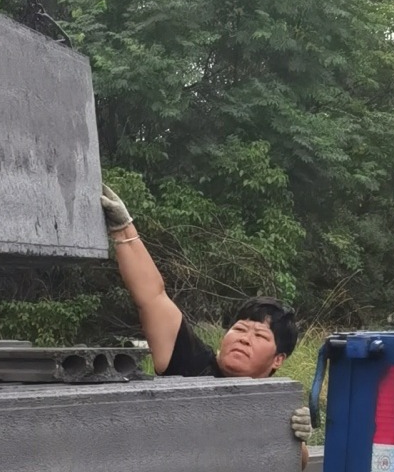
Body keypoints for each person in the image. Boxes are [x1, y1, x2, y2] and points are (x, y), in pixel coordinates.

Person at [100, 182, 313, 445]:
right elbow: (153, 297)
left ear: (278, 359)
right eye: (239, 329)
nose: (244, 338)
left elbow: (293, 466)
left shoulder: (274, 402)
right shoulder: (190, 364)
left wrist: (298, 439)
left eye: (259, 335)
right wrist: (123, 229)